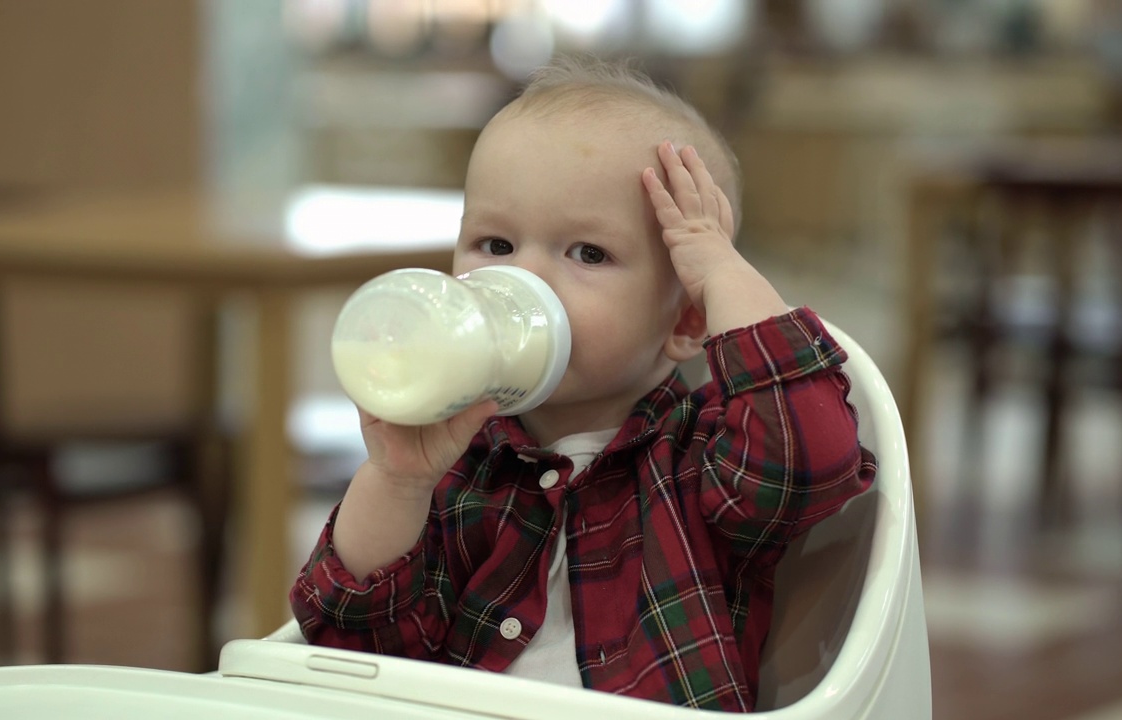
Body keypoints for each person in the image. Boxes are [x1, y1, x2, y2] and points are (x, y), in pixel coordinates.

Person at [290, 56, 876, 713]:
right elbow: (353, 643)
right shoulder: (456, 464)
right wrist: (396, 482)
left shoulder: (700, 456)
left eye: (588, 253)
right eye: (496, 245)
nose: (525, 281)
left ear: (686, 318)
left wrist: (718, 268)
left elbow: (809, 460)